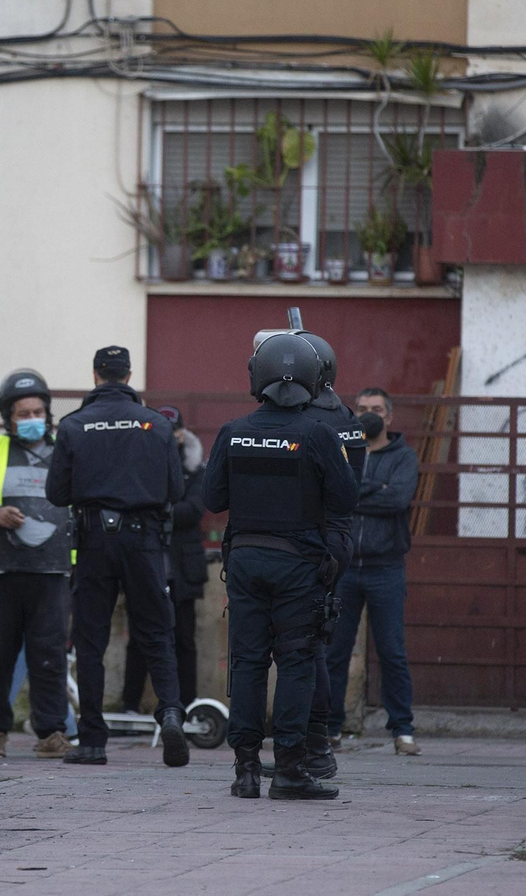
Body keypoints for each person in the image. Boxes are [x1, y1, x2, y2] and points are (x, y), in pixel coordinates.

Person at [203, 333, 359, 800]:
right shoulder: (320, 434)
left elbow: (212, 499)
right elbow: (346, 499)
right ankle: (290, 769)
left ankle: (246, 771)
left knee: (247, 663)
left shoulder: (232, 431)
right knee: (296, 663)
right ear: (313, 380)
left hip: (245, 561)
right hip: (299, 566)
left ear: (258, 377)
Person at [46, 345, 189, 768]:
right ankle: (171, 713)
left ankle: (92, 741)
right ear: (128, 376)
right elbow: (176, 490)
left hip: (94, 541)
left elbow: (56, 493)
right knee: (157, 632)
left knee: (90, 640)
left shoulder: (74, 425)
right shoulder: (157, 425)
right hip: (144, 541)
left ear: (95, 375)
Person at [0, 369, 74, 759]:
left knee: (50, 656)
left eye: (38, 412)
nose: (32, 419)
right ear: (9, 417)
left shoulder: (65, 453)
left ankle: (51, 733)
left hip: (52, 572)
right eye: (23, 414)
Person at [323, 386, 420, 755]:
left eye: (376, 409)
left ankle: (403, 730)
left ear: (389, 416)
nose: (368, 415)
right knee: (334, 650)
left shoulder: (404, 456)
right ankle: (329, 728)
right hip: (344, 569)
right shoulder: (342, 451)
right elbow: (332, 496)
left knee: (392, 651)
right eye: (362, 408)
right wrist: (375, 488)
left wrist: (354, 492)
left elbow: (397, 498)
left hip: (386, 567)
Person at [121, 405, 207, 712]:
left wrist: (154, 510)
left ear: (182, 434)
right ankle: (130, 706)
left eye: (174, 432)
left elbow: (193, 510)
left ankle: (187, 705)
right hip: (147, 564)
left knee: (184, 640)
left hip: (181, 568)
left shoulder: (196, 469)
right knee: (139, 639)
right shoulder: (139, 463)